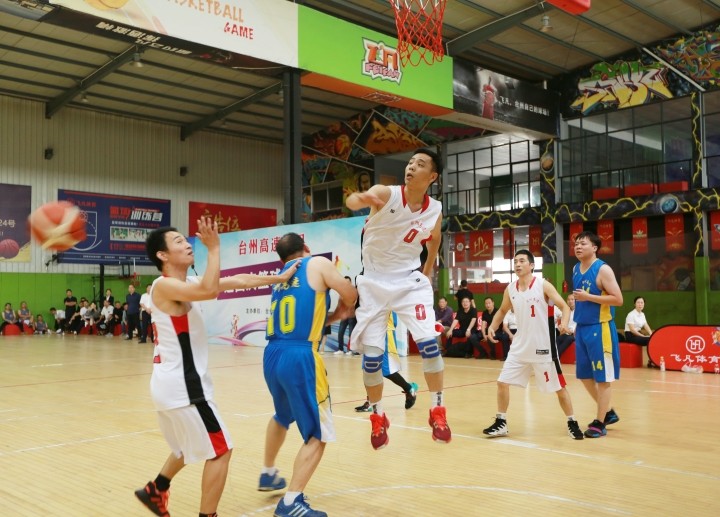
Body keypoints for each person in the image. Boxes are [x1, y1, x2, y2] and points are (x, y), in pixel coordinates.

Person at [135, 218, 299, 517]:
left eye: (186, 240)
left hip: (171, 385)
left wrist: (280, 277)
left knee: (186, 445)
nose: (187, 244)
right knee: (221, 450)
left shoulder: (185, 284)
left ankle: (156, 489)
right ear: (162, 255)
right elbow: (211, 290)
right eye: (178, 241)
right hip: (185, 387)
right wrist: (213, 249)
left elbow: (238, 281)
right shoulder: (164, 285)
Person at [346, 147, 451, 448]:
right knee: (372, 360)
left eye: (420, 164)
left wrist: (427, 272)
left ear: (432, 176)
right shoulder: (386, 194)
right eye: (410, 162)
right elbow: (354, 200)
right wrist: (361, 199)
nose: (411, 167)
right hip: (373, 283)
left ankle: (438, 410)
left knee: (429, 345)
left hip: (408, 281)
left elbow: (435, 240)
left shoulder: (434, 209)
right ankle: (378, 416)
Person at [260, 232, 357, 517]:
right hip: (301, 356)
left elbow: (305, 317)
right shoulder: (316, 263)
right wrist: (343, 307)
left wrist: (332, 316)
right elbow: (350, 294)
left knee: (282, 415)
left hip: (272, 354)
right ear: (306, 248)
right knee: (318, 432)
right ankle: (291, 502)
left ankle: (268, 472)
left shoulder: (281, 277)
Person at [482, 250, 584, 440]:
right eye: (515, 261)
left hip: (543, 348)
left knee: (559, 387)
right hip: (520, 347)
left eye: (522, 261)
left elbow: (564, 306)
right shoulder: (510, 289)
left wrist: (564, 323)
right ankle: (501, 422)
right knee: (502, 382)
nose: (517, 264)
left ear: (531, 265)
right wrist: (492, 327)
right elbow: (502, 310)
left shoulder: (543, 285)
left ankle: (572, 422)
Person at [572, 231, 624, 438]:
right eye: (576, 244)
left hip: (600, 328)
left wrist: (588, 297)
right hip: (582, 327)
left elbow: (618, 299)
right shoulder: (576, 268)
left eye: (582, 243)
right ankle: (608, 412)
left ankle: (600, 423)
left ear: (594, 248)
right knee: (584, 376)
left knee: (603, 378)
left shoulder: (603, 269)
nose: (578, 247)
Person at [355, 312, 419, 413]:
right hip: (370, 330)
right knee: (368, 368)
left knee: (386, 370)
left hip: (385, 329)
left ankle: (409, 388)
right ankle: (371, 401)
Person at [624, 296, 654, 367]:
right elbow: (632, 330)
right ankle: (651, 361)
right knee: (649, 340)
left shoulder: (642, 314)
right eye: (638, 302)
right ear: (635, 304)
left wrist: (652, 334)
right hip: (630, 335)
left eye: (642, 302)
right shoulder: (631, 314)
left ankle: (653, 360)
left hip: (638, 334)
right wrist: (643, 336)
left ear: (644, 304)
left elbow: (646, 325)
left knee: (653, 339)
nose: (640, 304)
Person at [336, 276, 357, 355]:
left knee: (351, 333)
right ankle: (340, 349)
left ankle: (350, 350)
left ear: (350, 282)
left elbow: (355, 301)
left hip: (351, 315)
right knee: (340, 332)